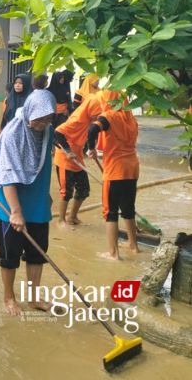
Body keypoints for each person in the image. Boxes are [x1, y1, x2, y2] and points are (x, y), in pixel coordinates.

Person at [0, 90, 56, 316]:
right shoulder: (12, 134)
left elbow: (45, 165)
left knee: (37, 254)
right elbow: (7, 175)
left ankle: (34, 297)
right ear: (29, 111)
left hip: (38, 205)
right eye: (40, 118)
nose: (43, 123)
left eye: (48, 118)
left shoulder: (48, 132)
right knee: (9, 256)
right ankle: (9, 298)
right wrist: (16, 213)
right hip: (10, 206)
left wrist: (46, 194)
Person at [86, 92, 140, 261]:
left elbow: (92, 129)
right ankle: (133, 245)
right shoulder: (130, 116)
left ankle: (113, 253)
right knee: (128, 208)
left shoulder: (108, 116)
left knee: (110, 211)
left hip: (115, 170)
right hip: (132, 167)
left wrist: (91, 148)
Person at [53, 94, 103, 227]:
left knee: (84, 189)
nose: (98, 117)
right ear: (90, 110)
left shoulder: (90, 120)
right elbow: (57, 133)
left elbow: (92, 134)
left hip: (78, 156)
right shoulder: (77, 120)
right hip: (65, 158)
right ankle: (61, 220)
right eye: (96, 114)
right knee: (66, 192)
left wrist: (92, 149)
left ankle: (72, 217)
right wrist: (68, 151)